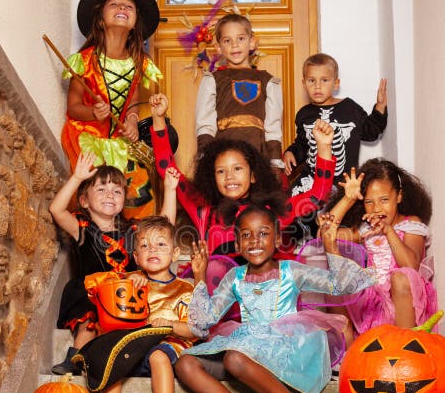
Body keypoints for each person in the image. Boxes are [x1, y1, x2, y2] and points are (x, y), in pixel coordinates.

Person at [174, 204, 376, 393]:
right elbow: (203, 324)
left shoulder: (292, 271)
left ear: (278, 239)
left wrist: (330, 244)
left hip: (286, 349)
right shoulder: (235, 277)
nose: (254, 241)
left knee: (234, 359)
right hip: (247, 349)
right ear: (238, 244)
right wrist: (200, 274)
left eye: (263, 233)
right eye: (247, 235)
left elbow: (341, 285)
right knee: (185, 364)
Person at [150, 92, 336, 257]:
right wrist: (158, 120)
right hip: (218, 293)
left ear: (253, 175)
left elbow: (317, 196)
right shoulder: (203, 209)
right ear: (212, 178)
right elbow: (167, 169)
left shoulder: (273, 211)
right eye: (221, 171)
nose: (229, 176)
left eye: (237, 169)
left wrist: (324, 146)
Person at [49, 152, 180, 375]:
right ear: (84, 201)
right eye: (101, 189)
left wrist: (170, 189)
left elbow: (163, 226)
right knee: (89, 320)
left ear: (123, 201)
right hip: (92, 293)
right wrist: (77, 178)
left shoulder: (133, 231)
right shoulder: (81, 228)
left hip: (127, 294)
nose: (110, 194)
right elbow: (56, 210)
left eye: (117, 191)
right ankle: (75, 358)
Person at [60, 0, 163, 220]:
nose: (122, 8)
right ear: (100, 19)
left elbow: (133, 104)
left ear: (136, 22)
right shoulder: (83, 61)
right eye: (114, 4)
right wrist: (92, 113)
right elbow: (73, 106)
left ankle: (139, 244)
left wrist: (131, 120)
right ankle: (95, 242)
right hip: (88, 137)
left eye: (129, 6)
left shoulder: (139, 63)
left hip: (119, 140)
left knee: (138, 190)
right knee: (96, 190)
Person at [94, 216, 195, 393]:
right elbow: (94, 289)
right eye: (145, 246)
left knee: (158, 355)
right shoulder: (129, 279)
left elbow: (192, 330)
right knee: (109, 349)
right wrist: (125, 285)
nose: (153, 250)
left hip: (168, 344)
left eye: (161, 244)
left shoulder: (184, 289)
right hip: (133, 346)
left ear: (175, 253)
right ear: (137, 258)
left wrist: (169, 324)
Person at [322, 159, 436, 330]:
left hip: (404, 300)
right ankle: (350, 351)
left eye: (384, 200)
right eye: (369, 202)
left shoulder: (410, 224)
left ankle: (405, 346)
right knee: (334, 286)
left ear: (399, 196)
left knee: (400, 278)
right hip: (373, 304)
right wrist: (348, 199)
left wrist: (389, 231)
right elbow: (326, 234)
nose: (377, 208)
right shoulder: (366, 230)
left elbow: (411, 265)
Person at [284, 54, 388, 196]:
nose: (317, 86)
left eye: (324, 80)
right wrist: (291, 152)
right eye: (311, 80)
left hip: (343, 185)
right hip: (312, 181)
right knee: (286, 205)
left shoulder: (350, 108)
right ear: (304, 83)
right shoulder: (304, 114)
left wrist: (380, 106)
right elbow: (302, 144)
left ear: (336, 83)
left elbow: (371, 132)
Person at [195, 13, 285, 175]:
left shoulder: (268, 81)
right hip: (224, 155)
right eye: (227, 41)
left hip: (258, 154)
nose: (235, 45)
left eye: (241, 39)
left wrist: (274, 159)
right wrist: (205, 157)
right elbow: (205, 122)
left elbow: (273, 125)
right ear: (218, 47)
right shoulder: (213, 80)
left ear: (252, 43)